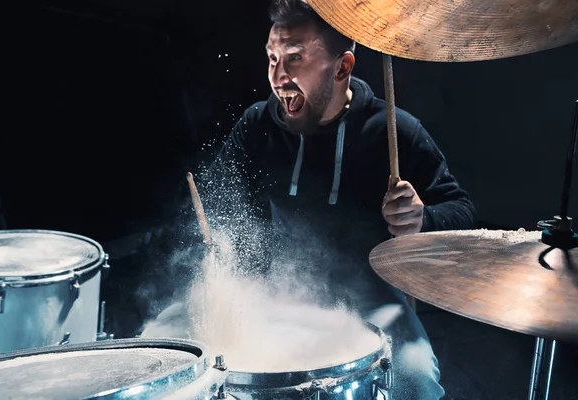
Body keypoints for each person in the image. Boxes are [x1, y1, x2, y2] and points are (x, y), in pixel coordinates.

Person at [202, 0, 477, 398]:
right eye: (272, 58)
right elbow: (218, 201)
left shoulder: (394, 129)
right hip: (276, 291)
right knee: (174, 343)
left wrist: (421, 219)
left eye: (294, 59)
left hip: (373, 296)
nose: (277, 77)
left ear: (342, 68)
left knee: (416, 381)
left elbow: (463, 211)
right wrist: (225, 247)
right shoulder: (257, 124)